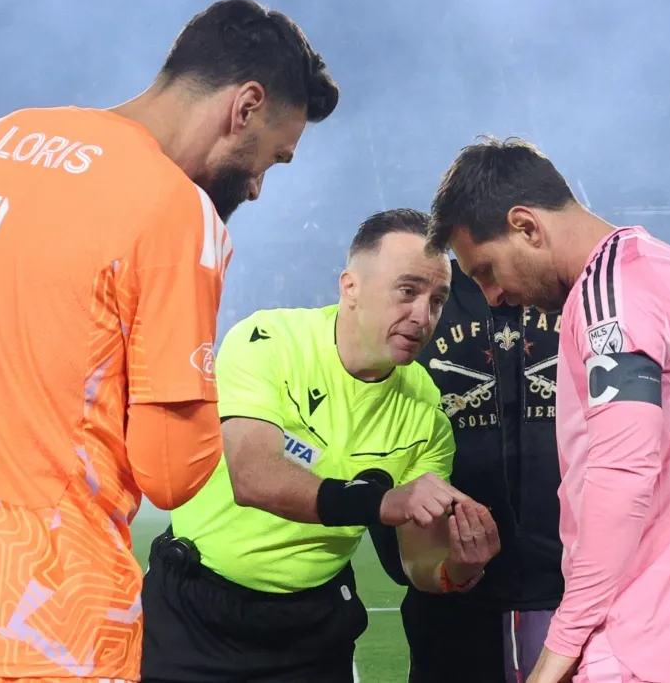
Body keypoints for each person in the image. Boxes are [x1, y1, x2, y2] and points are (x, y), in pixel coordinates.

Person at [0, 0, 339, 682]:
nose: (261, 186)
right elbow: (172, 473)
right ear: (244, 106)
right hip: (48, 623)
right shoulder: (173, 212)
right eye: (273, 156)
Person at [427, 136, 670, 683]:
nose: (492, 296)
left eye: (485, 270)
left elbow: (623, 472)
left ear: (527, 225)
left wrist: (558, 650)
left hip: (639, 644)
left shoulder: (611, 290)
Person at [140, 208, 501, 683]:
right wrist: (385, 501)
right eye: (407, 291)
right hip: (195, 613)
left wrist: (459, 565)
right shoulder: (267, 340)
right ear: (350, 286)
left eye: (437, 300)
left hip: (314, 627)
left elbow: (419, 563)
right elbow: (253, 476)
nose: (422, 315)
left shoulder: (426, 411)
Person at [368, 262, 564, 682]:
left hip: (571, 595)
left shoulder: (579, 293)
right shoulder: (428, 298)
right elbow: (378, 428)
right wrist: (416, 560)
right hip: (449, 597)